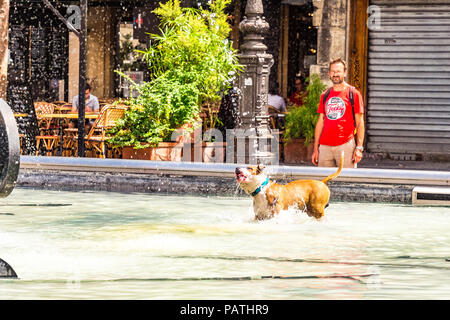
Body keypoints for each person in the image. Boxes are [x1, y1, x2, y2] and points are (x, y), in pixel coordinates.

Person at [311, 58, 365, 168]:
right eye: (333, 71)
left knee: (347, 182)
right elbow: (320, 122)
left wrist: (359, 148)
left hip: (345, 145)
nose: (335, 74)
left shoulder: (353, 93)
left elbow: (360, 123)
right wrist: (316, 148)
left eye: (338, 71)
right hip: (325, 147)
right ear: (329, 74)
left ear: (345, 73)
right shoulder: (325, 94)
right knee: (324, 183)